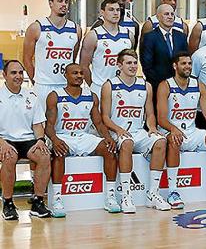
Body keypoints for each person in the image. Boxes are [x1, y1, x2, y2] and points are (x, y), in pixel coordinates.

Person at [45, 63, 120, 218]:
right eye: (74, 73)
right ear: (65, 75)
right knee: (59, 151)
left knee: (110, 149)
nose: (79, 76)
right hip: (63, 136)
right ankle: (57, 199)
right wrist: (54, 139)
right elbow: (49, 125)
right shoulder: (55, 95)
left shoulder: (91, 96)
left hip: (84, 137)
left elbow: (98, 123)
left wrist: (108, 138)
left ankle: (110, 196)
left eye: (81, 73)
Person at [157, 52, 206, 209]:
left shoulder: (199, 85)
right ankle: (172, 191)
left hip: (191, 132)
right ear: (175, 66)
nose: (188, 66)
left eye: (189, 63)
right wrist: (173, 129)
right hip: (170, 131)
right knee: (174, 139)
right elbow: (161, 119)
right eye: (183, 63)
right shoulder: (165, 85)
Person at [101, 49, 171, 212]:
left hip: (139, 131)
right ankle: (126, 195)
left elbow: (150, 113)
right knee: (127, 142)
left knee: (160, 140)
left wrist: (152, 128)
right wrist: (118, 130)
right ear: (119, 65)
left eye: (134, 63)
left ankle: (153, 194)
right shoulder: (109, 85)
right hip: (118, 131)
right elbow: (104, 116)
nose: (133, 66)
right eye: (128, 63)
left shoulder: (145, 85)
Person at [0, 60, 52, 220]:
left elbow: (37, 124)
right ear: (4, 75)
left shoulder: (31, 96)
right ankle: (7, 203)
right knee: (9, 157)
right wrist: (2, 143)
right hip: (4, 139)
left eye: (20, 73)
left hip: (28, 140)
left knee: (44, 156)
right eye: (13, 73)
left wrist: (41, 140)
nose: (18, 76)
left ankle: (38, 202)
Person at [23, 0, 82, 111]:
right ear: (50, 3)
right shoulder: (36, 27)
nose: (64, 4)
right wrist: (36, 80)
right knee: (42, 124)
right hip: (43, 85)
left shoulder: (76, 29)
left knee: (63, 125)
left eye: (66, 2)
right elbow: (27, 58)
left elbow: (73, 58)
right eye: (60, 1)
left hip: (66, 85)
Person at [80, 0, 134, 98]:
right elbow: (83, 65)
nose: (115, 13)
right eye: (111, 9)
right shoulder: (93, 35)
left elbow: (132, 62)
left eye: (118, 10)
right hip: (100, 87)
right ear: (102, 12)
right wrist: (92, 86)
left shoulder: (128, 35)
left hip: (123, 88)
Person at [141, 4, 188, 97]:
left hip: (179, 87)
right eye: (166, 14)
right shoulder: (149, 37)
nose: (170, 17)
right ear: (158, 17)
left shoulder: (181, 36)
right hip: (157, 86)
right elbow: (147, 65)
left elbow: (185, 59)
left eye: (172, 14)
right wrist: (162, 84)